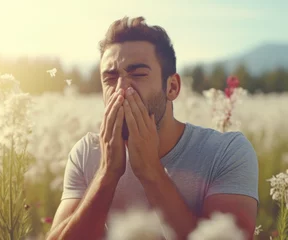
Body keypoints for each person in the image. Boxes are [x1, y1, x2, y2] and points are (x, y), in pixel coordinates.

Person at [46, 16, 259, 240]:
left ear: (172, 87)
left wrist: (151, 172)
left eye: (138, 74)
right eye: (110, 78)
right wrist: (106, 174)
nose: (121, 89)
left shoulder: (226, 152)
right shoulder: (87, 153)